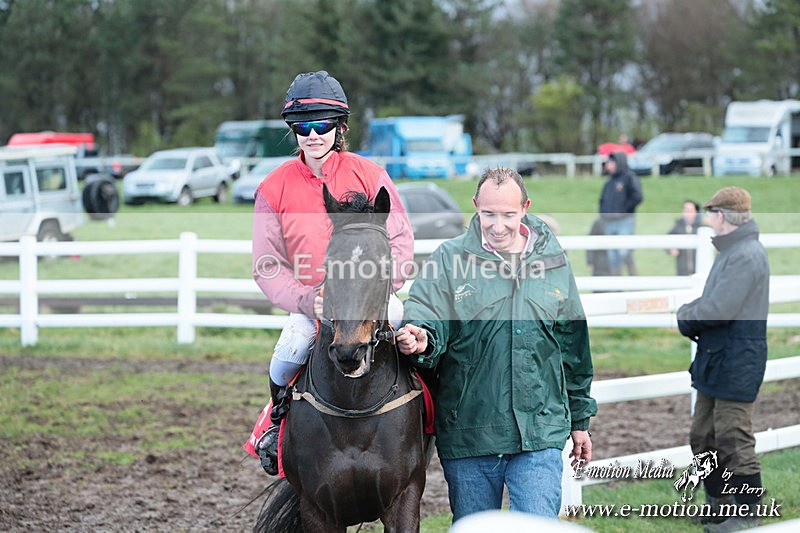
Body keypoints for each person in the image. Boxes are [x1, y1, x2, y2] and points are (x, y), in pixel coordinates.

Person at [396, 167, 596, 522]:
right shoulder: (449, 259)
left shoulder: (553, 262)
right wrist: (423, 337)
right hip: (470, 431)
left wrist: (579, 418)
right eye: (488, 214)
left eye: (507, 214)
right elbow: (426, 312)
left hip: (540, 432)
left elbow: (573, 346)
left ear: (525, 208)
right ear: (475, 206)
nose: (498, 225)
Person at [246, 71, 414, 475]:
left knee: (407, 332)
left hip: (370, 300)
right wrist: (306, 300)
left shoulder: (370, 176)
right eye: (303, 127)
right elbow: (267, 265)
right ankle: (274, 425)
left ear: (340, 127)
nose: (313, 135)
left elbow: (402, 244)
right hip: (312, 303)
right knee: (286, 356)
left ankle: (434, 419)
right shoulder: (273, 187)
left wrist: (371, 290)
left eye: (322, 125)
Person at [676, 187, 769, 531]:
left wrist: (686, 316)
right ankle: (719, 504)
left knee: (733, 436)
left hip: (737, 359)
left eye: (712, 214)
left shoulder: (744, 255)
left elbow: (719, 307)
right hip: (719, 358)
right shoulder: (733, 252)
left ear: (722, 216)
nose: (710, 221)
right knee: (703, 435)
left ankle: (748, 516)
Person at [599, 151, 643, 276]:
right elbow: (602, 200)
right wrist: (603, 214)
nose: (608, 165)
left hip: (624, 221)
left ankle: (634, 282)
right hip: (609, 222)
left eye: (611, 162)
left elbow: (637, 196)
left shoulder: (629, 177)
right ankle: (616, 285)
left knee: (624, 252)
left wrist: (624, 211)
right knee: (612, 256)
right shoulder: (609, 182)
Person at [667, 200, 703, 276]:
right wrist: (671, 249)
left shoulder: (702, 228)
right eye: (685, 210)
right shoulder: (678, 227)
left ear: (696, 212)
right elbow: (666, 240)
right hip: (682, 268)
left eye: (690, 210)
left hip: (699, 268)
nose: (687, 213)